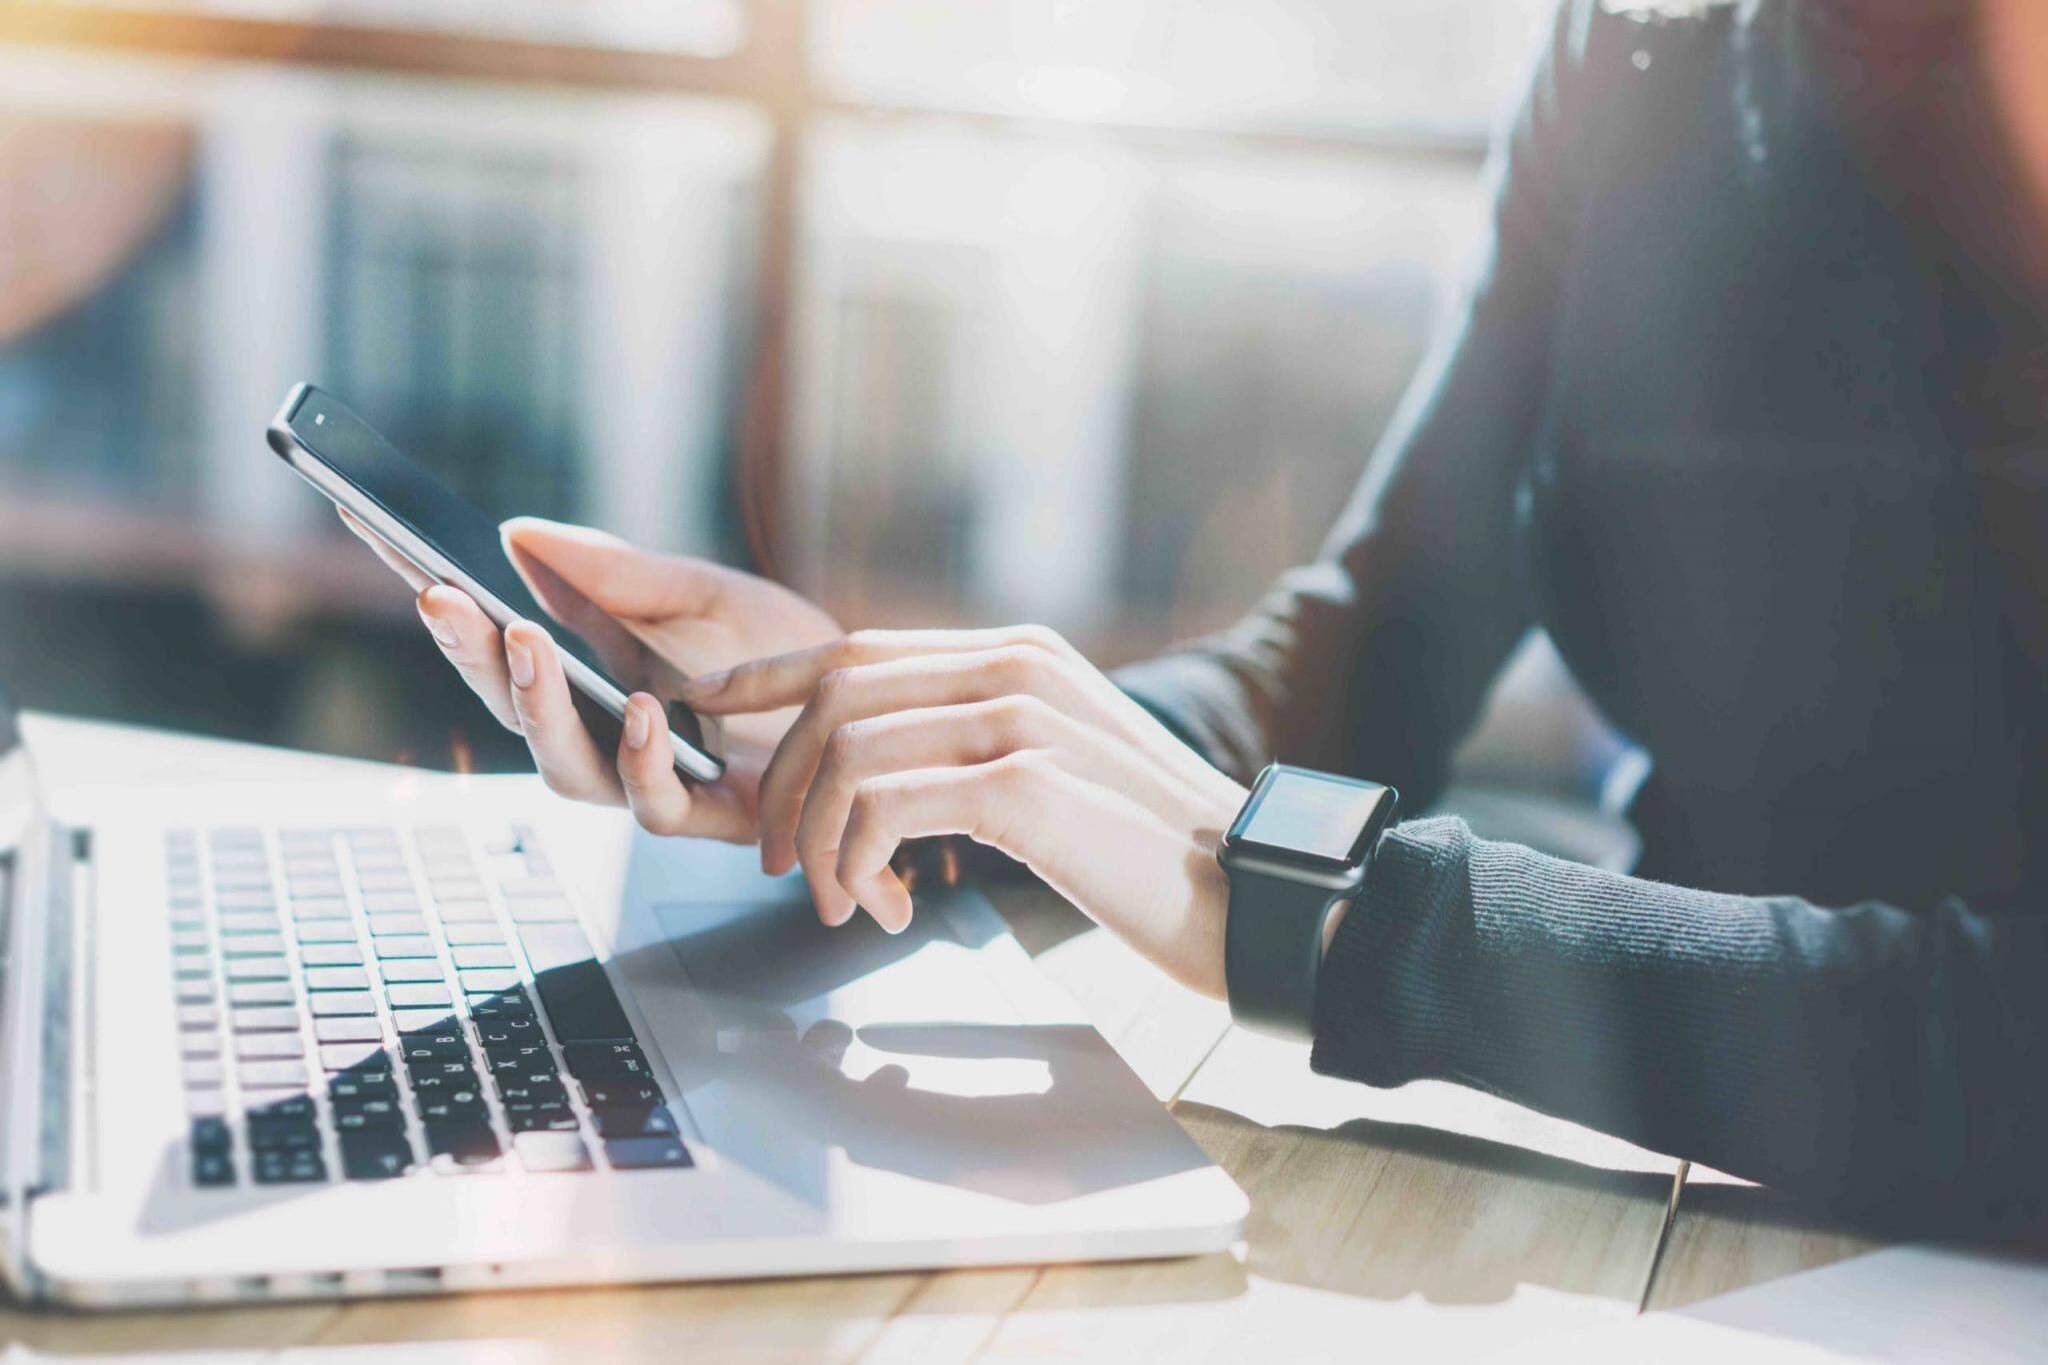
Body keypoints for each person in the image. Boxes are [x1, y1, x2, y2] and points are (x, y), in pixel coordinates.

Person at [350, 0, 2048, 1231]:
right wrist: (918, 751)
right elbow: (1359, 654)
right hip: (1665, 1168)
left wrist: (1312, 918)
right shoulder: (1651, 45)